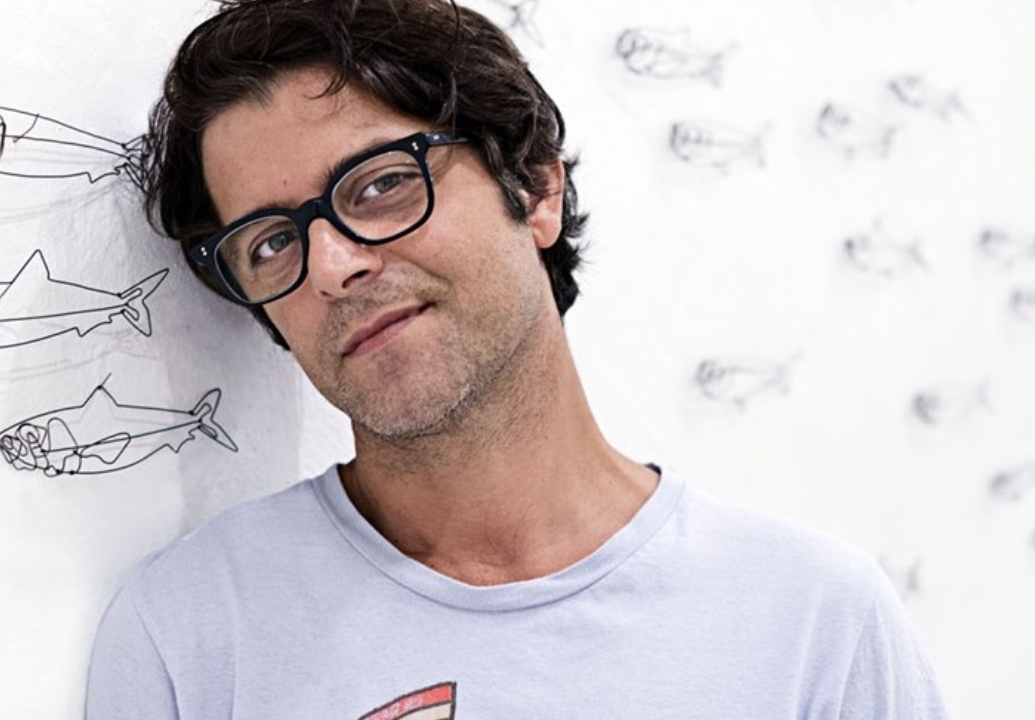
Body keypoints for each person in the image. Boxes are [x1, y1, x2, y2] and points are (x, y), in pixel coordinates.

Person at [86, 1, 949, 717]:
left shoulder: (813, 621)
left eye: (382, 183)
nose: (334, 265)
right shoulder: (192, 630)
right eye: (272, 242)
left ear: (535, 187)